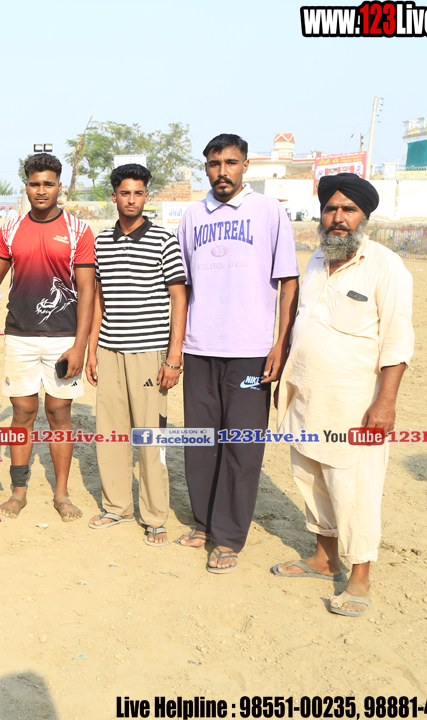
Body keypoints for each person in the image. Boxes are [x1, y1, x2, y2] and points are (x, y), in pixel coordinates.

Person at [273, 174, 413, 617]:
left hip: (355, 404)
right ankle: (324, 557)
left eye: (348, 210)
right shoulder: (317, 259)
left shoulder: (386, 266)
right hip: (306, 394)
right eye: (330, 209)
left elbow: (397, 340)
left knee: (354, 487)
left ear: (364, 217)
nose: (338, 218)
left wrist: (385, 402)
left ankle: (360, 576)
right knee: (311, 478)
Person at [0, 153, 96, 522]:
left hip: (63, 337)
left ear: (59, 186)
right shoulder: (10, 229)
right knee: (22, 412)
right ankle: (18, 491)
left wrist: (80, 345)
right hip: (20, 335)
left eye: (48, 184)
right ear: (26, 185)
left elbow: (87, 291)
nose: (41, 191)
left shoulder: (78, 230)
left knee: (58, 413)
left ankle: (61, 494)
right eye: (34, 184)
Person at [174, 134, 300, 573]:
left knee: (242, 446)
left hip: (251, 350)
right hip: (200, 347)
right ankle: (204, 523)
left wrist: (280, 343)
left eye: (230, 162)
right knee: (200, 442)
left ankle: (228, 537)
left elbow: (288, 281)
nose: (222, 171)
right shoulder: (193, 216)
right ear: (206, 168)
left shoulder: (268, 212)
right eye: (214, 164)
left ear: (246, 165)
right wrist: (178, 347)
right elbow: (182, 287)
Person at [85, 164, 187, 543]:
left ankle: (155, 515)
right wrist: (93, 350)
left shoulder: (164, 240)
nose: (132, 200)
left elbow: (179, 299)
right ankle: (117, 506)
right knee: (110, 433)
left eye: (138, 193)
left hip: (150, 353)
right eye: (125, 193)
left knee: (150, 436)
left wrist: (174, 357)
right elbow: (98, 300)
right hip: (110, 351)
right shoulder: (101, 242)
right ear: (114, 196)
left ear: (147, 196)